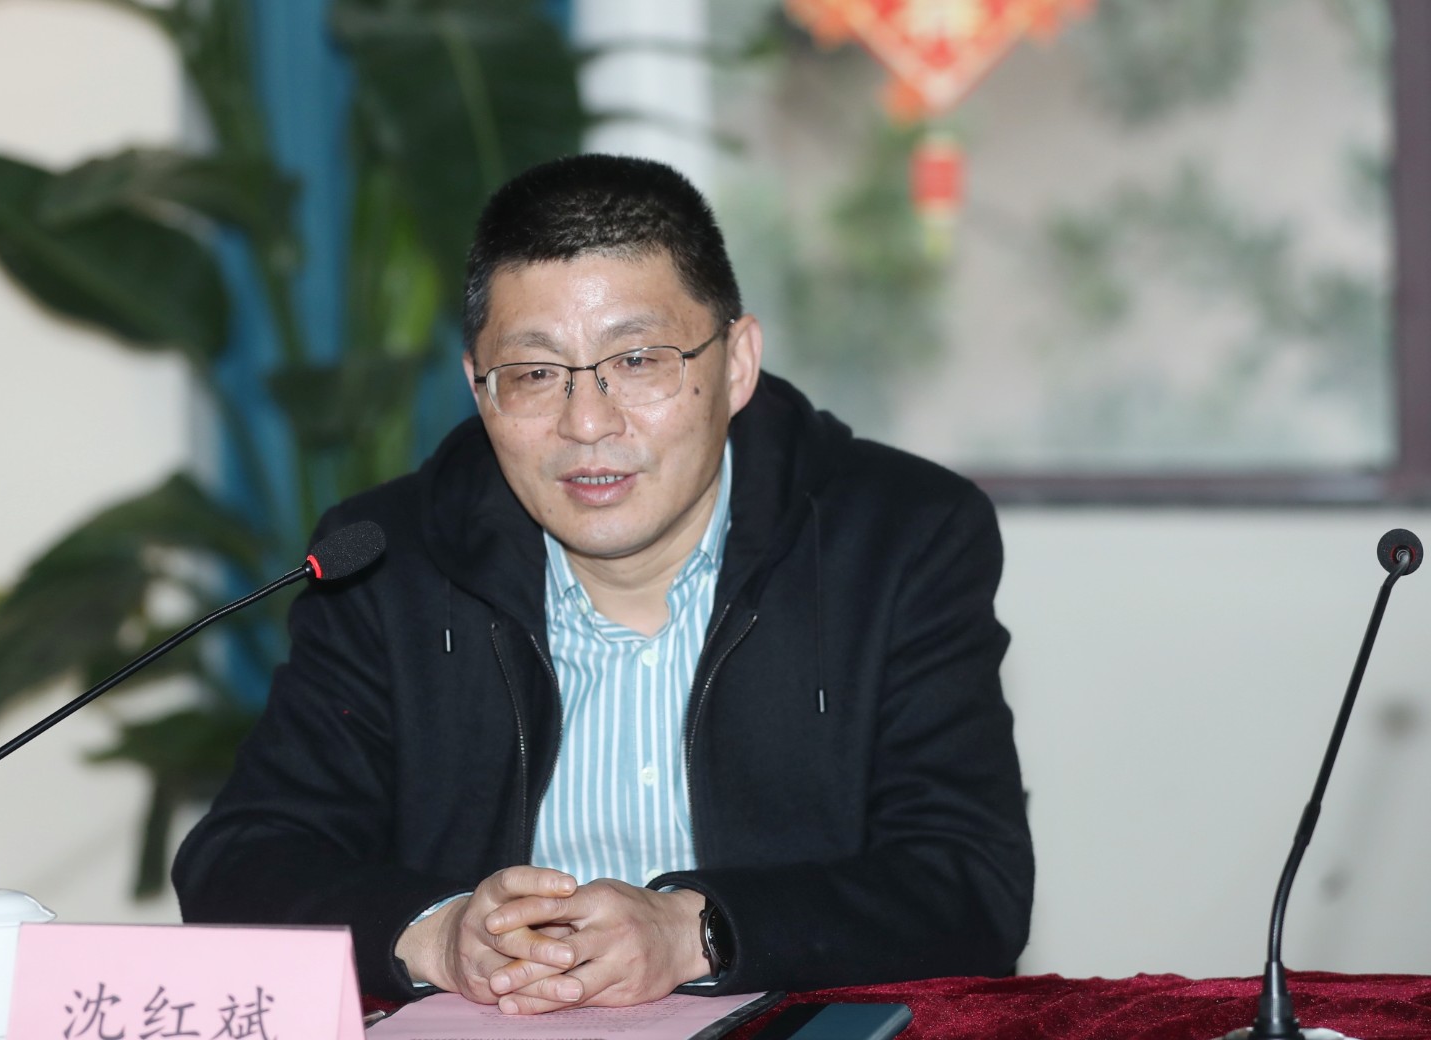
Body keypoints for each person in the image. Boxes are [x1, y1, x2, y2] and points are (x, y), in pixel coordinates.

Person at [173, 153, 1033, 1014]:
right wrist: (438, 932)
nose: (587, 424)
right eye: (534, 374)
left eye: (639, 360)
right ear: (480, 390)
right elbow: (241, 859)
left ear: (737, 363)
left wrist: (695, 931)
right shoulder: (393, 561)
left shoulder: (899, 539)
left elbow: (969, 882)